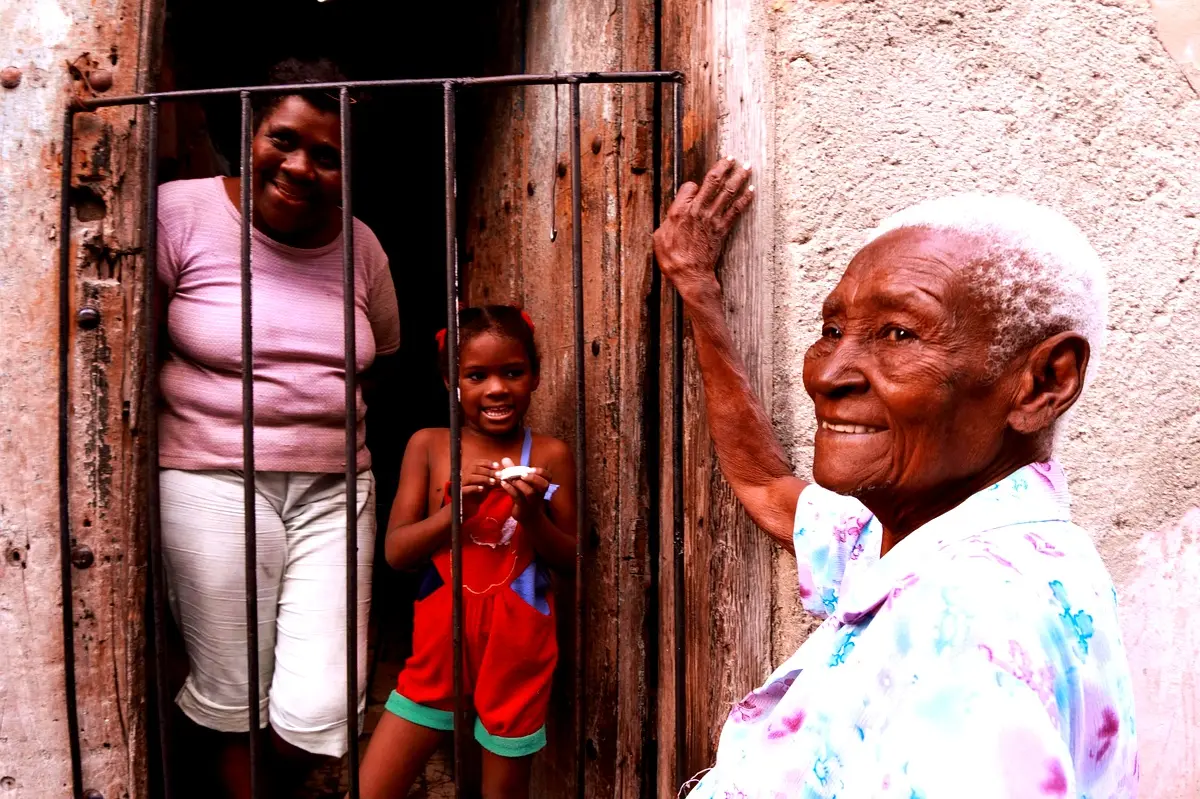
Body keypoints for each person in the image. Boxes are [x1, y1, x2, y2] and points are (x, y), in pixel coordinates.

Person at [652, 158, 1138, 797]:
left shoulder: (970, 627)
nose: (828, 376)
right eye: (832, 331)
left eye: (899, 333)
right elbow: (766, 488)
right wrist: (697, 289)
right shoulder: (921, 537)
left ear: (1043, 382)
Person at [154, 58, 399, 797]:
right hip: (208, 478)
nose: (300, 167)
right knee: (233, 697)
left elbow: (379, 356)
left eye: (327, 156)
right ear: (249, 132)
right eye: (283, 140)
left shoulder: (362, 245)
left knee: (320, 705)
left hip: (335, 489)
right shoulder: (180, 212)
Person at [357, 305, 578, 799]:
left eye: (512, 372)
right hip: (439, 648)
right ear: (449, 382)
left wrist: (532, 518)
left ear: (536, 377)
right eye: (476, 375)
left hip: (517, 648)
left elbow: (572, 559)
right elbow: (397, 552)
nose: (496, 388)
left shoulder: (549, 455)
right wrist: (452, 515)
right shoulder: (430, 447)